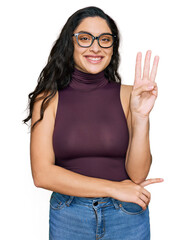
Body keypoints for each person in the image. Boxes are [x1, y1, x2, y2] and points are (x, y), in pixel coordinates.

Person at [23, 6, 164, 240]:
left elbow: (137, 176)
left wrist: (140, 117)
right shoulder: (47, 99)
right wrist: (114, 188)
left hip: (125, 215)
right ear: (70, 44)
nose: (96, 47)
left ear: (113, 47)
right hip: (69, 216)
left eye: (105, 39)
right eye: (85, 38)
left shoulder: (131, 95)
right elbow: (42, 175)